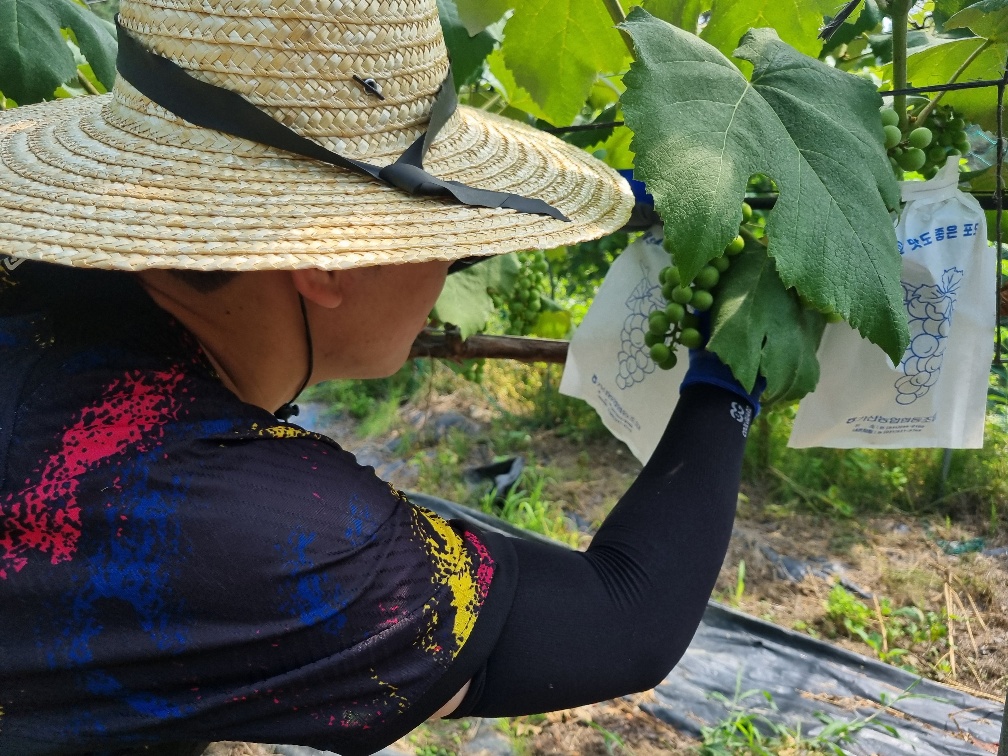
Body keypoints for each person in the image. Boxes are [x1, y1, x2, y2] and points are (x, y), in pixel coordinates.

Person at [0, 1, 762, 754]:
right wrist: (724, 392)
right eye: (446, 227)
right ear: (329, 257)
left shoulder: (41, 314)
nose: (452, 261)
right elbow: (624, 620)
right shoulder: (269, 535)